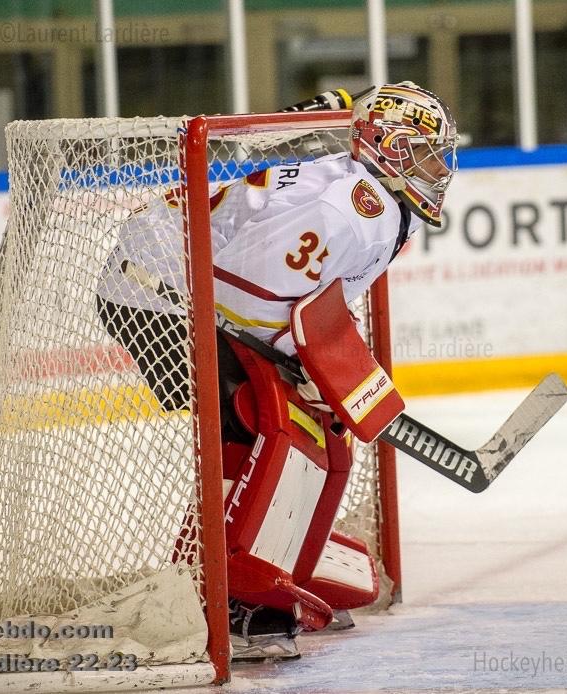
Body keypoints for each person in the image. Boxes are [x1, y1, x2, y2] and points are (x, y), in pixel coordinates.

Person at [95, 82, 457, 657]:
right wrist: (298, 360)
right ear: (384, 148)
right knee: (259, 422)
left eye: (440, 154)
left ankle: (265, 563)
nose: (439, 168)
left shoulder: (379, 200)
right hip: (153, 288)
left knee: (300, 425)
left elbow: (295, 291)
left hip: (194, 283)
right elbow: (244, 291)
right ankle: (227, 598)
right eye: (424, 153)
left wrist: (313, 359)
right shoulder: (348, 209)